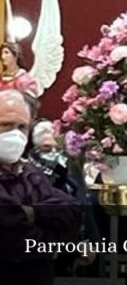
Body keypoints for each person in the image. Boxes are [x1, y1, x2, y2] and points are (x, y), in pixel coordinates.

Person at [0, 90, 81, 285]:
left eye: (22, 127)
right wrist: (52, 242)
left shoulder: (30, 172)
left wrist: (31, 213)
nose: (16, 134)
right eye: (6, 125)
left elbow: (72, 211)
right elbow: (9, 234)